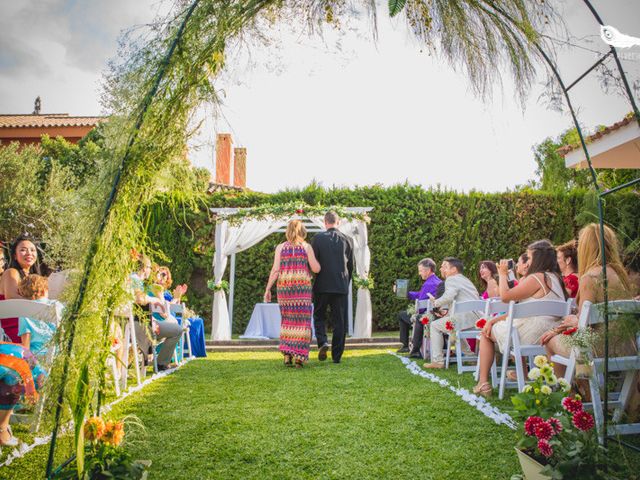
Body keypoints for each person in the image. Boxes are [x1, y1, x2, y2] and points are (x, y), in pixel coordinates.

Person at [474, 240, 567, 397]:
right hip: (551, 332)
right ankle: (521, 376)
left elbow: (505, 297)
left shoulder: (536, 278)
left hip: (533, 332)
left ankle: (483, 383)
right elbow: (520, 311)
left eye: (529, 258)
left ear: (538, 258)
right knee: (507, 328)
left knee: (486, 334)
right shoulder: (557, 278)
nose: (528, 262)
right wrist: (494, 320)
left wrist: (502, 274)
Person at [542, 224, 636, 377]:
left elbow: (584, 325)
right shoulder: (620, 275)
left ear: (586, 248)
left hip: (598, 349)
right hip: (627, 346)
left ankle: (569, 395)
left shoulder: (590, 278)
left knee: (549, 341)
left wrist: (566, 323)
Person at [264, 220, 320, 367]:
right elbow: (315, 268)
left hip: (285, 289)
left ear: (287, 231)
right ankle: (299, 358)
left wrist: (268, 288)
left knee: (287, 321)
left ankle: (287, 354)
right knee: (302, 322)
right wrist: (320, 265)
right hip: (301, 290)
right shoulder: (306, 247)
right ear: (302, 231)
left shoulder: (280, 247)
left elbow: (275, 270)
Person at [312, 211, 354, 364]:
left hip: (322, 285)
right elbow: (351, 266)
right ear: (339, 222)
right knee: (340, 321)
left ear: (325, 222)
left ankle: (322, 342)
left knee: (319, 316)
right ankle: (337, 355)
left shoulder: (317, 239)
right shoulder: (348, 239)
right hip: (340, 285)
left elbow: (313, 263)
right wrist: (345, 284)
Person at [424, 257, 481, 369]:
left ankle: (437, 361)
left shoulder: (451, 279)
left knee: (434, 325)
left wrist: (436, 302)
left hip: (464, 317)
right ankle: (471, 357)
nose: (442, 269)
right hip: (476, 317)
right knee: (454, 328)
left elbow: (449, 296)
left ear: (454, 269)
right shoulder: (465, 279)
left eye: (445, 267)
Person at [131, 256, 179, 371]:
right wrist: (156, 300)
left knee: (174, 325)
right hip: (141, 327)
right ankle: (161, 363)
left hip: (135, 324)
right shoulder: (136, 280)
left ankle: (157, 361)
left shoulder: (135, 281)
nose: (151, 271)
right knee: (177, 330)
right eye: (149, 268)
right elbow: (140, 299)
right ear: (144, 269)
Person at [0, 343, 46, 446]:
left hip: (18, 363)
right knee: (11, 383)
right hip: (14, 367)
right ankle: (2, 431)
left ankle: (3, 429)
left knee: (11, 387)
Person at [0, 234, 42, 342]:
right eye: (23, 250)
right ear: (14, 255)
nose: (29, 253)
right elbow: (12, 297)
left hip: (29, 325)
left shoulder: (33, 277)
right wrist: (40, 305)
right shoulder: (11, 272)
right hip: (15, 329)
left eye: (32, 250)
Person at [396, 258, 442, 358]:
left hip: (425, 315)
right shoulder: (438, 281)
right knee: (404, 314)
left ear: (428, 270)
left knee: (401, 315)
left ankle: (406, 345)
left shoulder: (428, 284)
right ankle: (406, 346)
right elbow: (420, 295)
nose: (419, 273)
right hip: (436, 313)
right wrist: (407, 293)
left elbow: (420, 307)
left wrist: (401, 292)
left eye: (420, 270)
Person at [17, 274, 61, 359]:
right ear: (44, 291)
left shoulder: (24, 312)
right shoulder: (56, 305)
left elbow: (26, 345)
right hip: (58, 355)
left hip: (36, 358)